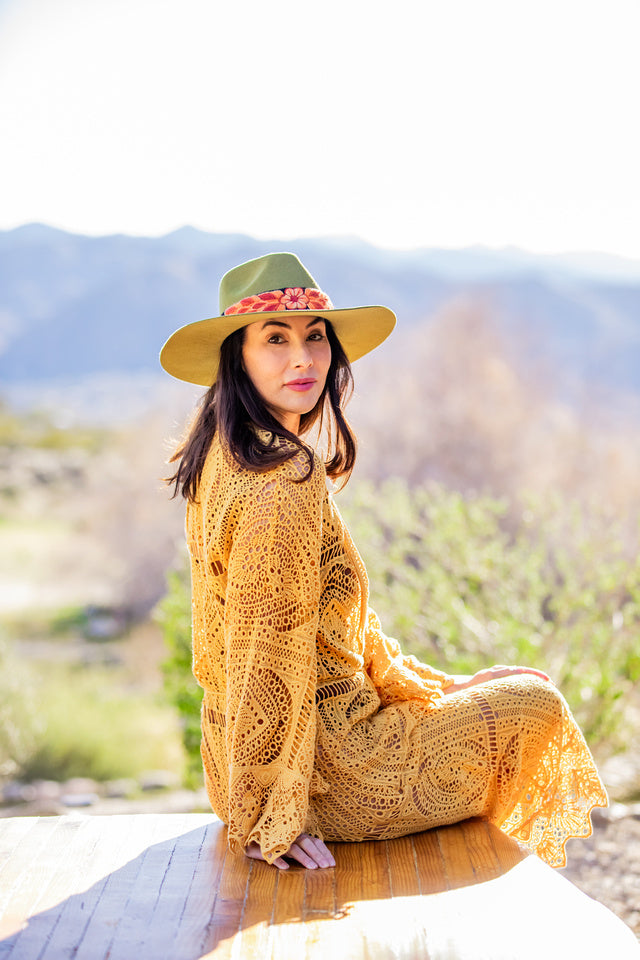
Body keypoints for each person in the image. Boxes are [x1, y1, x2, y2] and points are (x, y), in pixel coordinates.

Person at [160, 252, 607, 872]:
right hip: (327, 775)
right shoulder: (282, 478)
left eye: (315, 337)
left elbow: (336, 635)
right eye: (275, 339)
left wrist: (442, 689)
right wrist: (271, 816)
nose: (303, 358)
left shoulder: (224, 456)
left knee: (513, 689)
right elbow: (264, 652)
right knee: (538, 709)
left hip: (248, 760)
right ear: (236, 356)